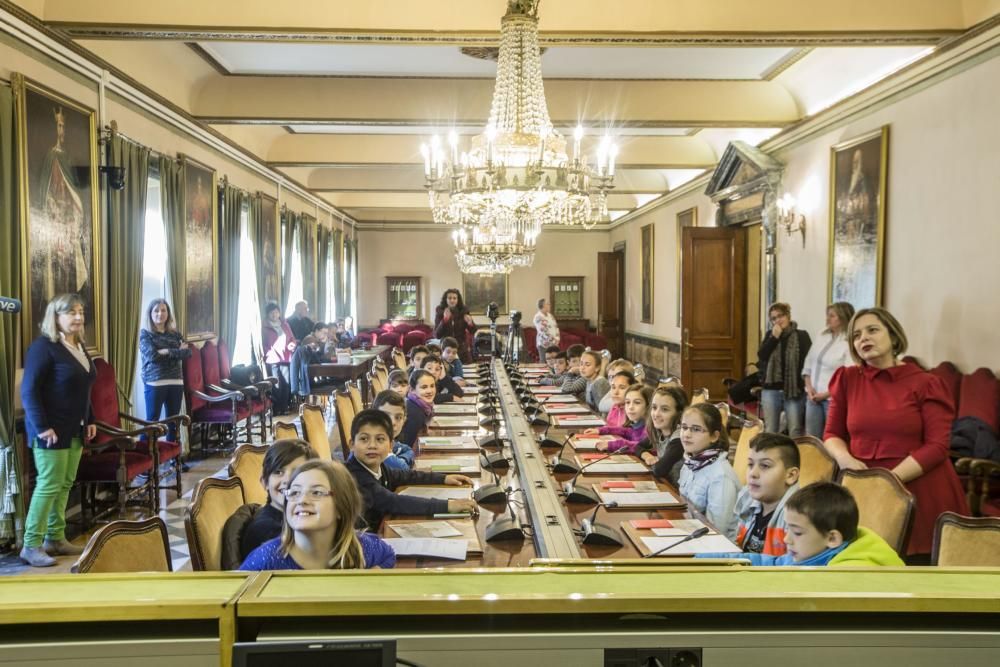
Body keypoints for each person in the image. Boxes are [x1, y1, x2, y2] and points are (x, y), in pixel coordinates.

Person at [822, 307, 970, 557]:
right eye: (856, 335)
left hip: (919, 487)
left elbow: (937, 446)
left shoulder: (926, 383)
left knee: (919, 572)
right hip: (864, 486)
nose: (863, 339)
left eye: (872, 330)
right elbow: (831, 434)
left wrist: (888, 481)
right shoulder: (847, 379)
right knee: (861, 564)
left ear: (893, 336)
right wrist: (846, 461)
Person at [19, 294, 97, 567]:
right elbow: (29, 390)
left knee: (64, 484)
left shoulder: (78, 345)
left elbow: (84, 389)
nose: (78, 317)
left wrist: (91, 419)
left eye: (80, 311)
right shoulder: (43, 347)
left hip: (75, 428)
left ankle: (55, 537)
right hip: (49, 431)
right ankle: (31, 544)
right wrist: (42, 427)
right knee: (49, 484)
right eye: (70, 312)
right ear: (56, 316)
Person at [240, 459, 396, 570]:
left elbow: (388, 556)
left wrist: (371, 577)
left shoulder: (362, 548)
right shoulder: (267, 559)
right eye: (294, 492)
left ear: (341, 507)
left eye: (316, 492)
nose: (302, 500)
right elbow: (234, 598)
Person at [696, 483, 904, 566]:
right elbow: (768, 563)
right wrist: (698, 558)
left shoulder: (847, 575)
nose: (787, 539)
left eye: (796, 532)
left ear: (832, 538)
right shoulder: (815, 552)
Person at [345, 410, 477, 530]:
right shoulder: (354, 476)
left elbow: (405, 476)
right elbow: (393, 502)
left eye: (380, 439)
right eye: (364, 439)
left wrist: (443, 478)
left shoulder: (378, 467)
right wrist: (448, 505)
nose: (372, 445)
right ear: (352, 445)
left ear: (390, 445)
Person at [239, 439, 318, 561]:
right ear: (265, 482)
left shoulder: (301, 517)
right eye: (278, 472)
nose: (287, 480)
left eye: (297, 472)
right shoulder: (266, 530)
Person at [677, 403, 739, 540]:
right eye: (684, 427)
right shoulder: (691, 462)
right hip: (688, 531)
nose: (686, 434)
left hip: (712, 547)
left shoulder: (720, 476)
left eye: (696, 429)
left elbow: (716, 530)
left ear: (714, 436)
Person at [733, 433, 800, 555]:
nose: (753, 473)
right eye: (750, 464)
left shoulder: (799, 515)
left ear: (790, 475)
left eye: (765, 466)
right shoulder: (746, 497)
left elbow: (791, 567)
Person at [138, 298, 191, 442]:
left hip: (176, 381)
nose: (160, 314)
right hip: (155, 383)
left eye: (163, 310)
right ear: (150, 313)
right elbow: (153, 356)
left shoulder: (175, 334)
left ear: (168, 313)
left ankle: (174, 460)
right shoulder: (145, 334)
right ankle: (144, 459)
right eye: (156, 310)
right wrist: (175, 351)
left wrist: (165, 351)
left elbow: (187, 353)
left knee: (174, 422)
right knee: (152, 421)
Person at [757, 302, 812, 436]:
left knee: (795, 429)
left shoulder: (802, 335)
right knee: (771, 429)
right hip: (771, 389)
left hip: (794, 390)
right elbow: (762, 355)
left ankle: (795, 456)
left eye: (780, 316)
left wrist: (804, 386)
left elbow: (809, 362)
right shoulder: (770, 335)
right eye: (774, 318)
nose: (778, 320)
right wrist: (774, 338)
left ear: (788, 316)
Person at [802, 302, 855, 438]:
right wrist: (809, 388)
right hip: (812, 396)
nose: (827, 319)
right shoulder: (822, 335)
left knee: (832, 439)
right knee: (811, 439)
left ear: (843, 318)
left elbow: (849, 377)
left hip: (832, 400)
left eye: (832, 316)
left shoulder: (849, 341)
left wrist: (825, 394)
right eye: (827, 315)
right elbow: (809, 362)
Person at [644, 386, 689, 485]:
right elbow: (638, 447)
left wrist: (656, 462)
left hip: (678, 493)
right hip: (667, 486)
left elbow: (659, 470)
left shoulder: (679, 439)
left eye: (664, 409)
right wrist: (646, 455)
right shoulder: (660, 431)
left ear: (679, 413)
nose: (656, 414)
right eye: (654, 407)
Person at [595, 384, 652, 454]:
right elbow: (625, 431)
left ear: (648, 406)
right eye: (627, 402)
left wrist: (612, 445)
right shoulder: (637, 425)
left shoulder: (650, 430)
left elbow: (639, 447)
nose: (630, 407)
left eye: (637, 403)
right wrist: (601, 430)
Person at [262, 301, 296, 415]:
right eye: (272, 313)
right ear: (267, 314)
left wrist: (292, 344)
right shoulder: (264, 326)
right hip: (273, 358)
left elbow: (292, 338)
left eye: (276, 312)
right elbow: (262, 343)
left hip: (285, 357)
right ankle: (276, 408)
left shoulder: (285, 324)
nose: (275, 315)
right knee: (276, 384)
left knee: (286, 383)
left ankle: (284, 406)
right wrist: (267, 353)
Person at [371, 390, 415, 470]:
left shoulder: (389, 442)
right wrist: (401, 462)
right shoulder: (372, 446)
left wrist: (402, 459)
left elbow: (408, 450)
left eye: (398, 417)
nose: (393, 422)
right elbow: (403, 469)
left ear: (404, 420)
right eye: (385, 416)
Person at [434, 289, 476, 363]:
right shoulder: (440, 312)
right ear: (445, 300)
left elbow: (473, 331)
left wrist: (470, 323)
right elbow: (437, 335)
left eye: (454, 298)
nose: (452, 300)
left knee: (465, 371)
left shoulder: (464, 311)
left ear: (458, 300)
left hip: (461, 349)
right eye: (449, 298)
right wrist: (444, 320)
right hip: (446, 349)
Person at [398, 368, 437, 446]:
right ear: (412, 390)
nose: (429, 391)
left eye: (432, 386)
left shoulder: (417, 404)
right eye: (424, 387)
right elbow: (407, 445)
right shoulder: (414, 413)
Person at [532, 298, 560, 362]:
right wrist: (554, 340)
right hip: (544, 344)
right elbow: (543, 331)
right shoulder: (538, 317)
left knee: (555, 362)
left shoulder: (550, 315)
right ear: (543, 305)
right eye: (548, 304)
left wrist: (557, 338)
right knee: (544, 363)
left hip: (554, 343)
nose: (550, 305)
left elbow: (556, 327)